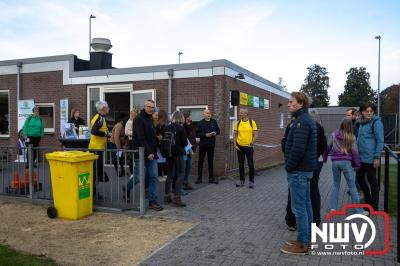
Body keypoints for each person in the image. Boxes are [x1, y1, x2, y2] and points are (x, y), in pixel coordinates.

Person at [280, 92, 317, 255]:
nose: (288, 104)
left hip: (299, 171)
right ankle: (307, 239)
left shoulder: (302, 122)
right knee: (306, 205)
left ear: (300, 104)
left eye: (291, 102)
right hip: (305, 170)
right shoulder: (305, 119)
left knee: (300, 208)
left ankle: (302, 244)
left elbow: (298, 149)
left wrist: (289, 166)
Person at [128, 99, 163, 211]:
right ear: (144, 106)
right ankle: (126, 189)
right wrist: (148, 153)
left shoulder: (150, 119)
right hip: (141, 153)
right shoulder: (139, 119)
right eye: (149, 107)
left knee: (153, 177)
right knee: (138, 177)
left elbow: (150, 137)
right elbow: (141, 137)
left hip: (152, 154)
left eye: (152, 107)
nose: (151, 109)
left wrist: (157, 139)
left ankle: (152, 200)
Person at [327, 119, 365, 214]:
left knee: (336, 184)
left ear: (341, 124)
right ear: (350, 127)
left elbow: (328, 147)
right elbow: (355, 153)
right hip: (346, 162)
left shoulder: (333, 134)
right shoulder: (351, 137)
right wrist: (357, 165)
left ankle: (333, 208)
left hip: (335, 162)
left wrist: (324, 158)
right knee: (352, 186)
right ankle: (358, 210)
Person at [356, 102, 384, 211]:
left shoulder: (376, 123)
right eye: (366, 111)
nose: (369, 113)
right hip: (361, 158)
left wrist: (377, 157)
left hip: (371, 158)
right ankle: (369, 201)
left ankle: (374, 206)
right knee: (359, 178)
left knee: (373, 181)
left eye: (371, 111)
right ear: (362, 112)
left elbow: (380, 141)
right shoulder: (362, 123)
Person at [164, 111, 188, 207]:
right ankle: (177, 198)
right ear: (181, 118)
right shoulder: (181, 128)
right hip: (178, 153)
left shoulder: (168, 127)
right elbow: (185, 143)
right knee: (181, 174)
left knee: (170, 175)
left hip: (169, 153)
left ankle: (167, 196)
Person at [309, 110, 327, 227]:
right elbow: (324, 146)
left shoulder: (308, 127)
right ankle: (316, 218)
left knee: (310, 190)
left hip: (311, 162)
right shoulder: (320, 128)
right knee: (314, 189)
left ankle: (312, 218)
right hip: (318, 161)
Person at [233, 108, 258, 188]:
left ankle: (251, 182)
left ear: (246, 114)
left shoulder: (252, 122)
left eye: (241, 113)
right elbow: (234, 135)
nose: (239, 114)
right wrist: (235, 145)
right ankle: (242, 181)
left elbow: (256, 134)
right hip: (240, 147)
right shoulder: (237, 123)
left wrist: (252, 142)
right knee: (241, 165)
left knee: (251, 165)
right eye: (240, 112)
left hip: (249, 147)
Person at [88, 101, 110, 186]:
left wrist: (107, 133)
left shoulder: (101, 118)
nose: (109, 108)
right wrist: (105, 134)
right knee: (95, 171)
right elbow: (94, 131)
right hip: (95, 148)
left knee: (97, 171)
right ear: (103, 108)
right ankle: (92, 193)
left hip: (98, 148)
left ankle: (94, 192)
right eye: (107, 107)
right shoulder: (99, 118)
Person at [196, 109, 220, 184]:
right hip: (203, 145)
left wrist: (215, 133)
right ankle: (199, 178)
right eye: (207, 113)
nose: (208, 114)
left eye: (209, 113)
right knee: (201, 161)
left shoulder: (214, 121)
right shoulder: (200, 123)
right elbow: (197, 134)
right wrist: (205, 135)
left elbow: (218, 131)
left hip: (211, 145)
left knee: (210, 161)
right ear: (203, 114)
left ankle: (211, 178)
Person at [183, 111, 197, 190]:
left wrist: (194, 148)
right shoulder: (182, 126)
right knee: (183, 167)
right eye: (188, 118)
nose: (190, 119)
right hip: (185, 150)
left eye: (190, 118)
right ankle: (181, 184)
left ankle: (186, 182)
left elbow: (193, 137)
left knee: (188, 167)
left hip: (190, 150)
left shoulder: (191, 125)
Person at [155, 110, 169, 181]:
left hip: (163, 146)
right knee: (159, 161)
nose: (157, 117)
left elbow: (167, 135)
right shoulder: (158, 125)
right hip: (159, 145)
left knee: (164, 161)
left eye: (158, 115)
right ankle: (161, 175)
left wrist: (161, 137)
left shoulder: (165, 125)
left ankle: (165, 175)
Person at [125, 108, 138, 178]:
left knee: (135, 157)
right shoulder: (129, 122)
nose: (137, 114)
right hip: (131, 141)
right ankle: (132, 173)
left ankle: (134, 172)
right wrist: (136, 133)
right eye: (136, 113)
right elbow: (126, 132)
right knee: (132, 157)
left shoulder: (134, 121)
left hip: (135, 141)